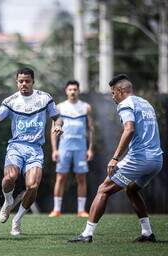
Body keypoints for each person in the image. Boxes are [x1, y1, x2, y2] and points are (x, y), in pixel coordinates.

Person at [69, 74, 163, 243]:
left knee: (103, 190)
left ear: (120, 91)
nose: (113, 97)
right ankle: (147, 233)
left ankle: (86, 234)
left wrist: (115, 158)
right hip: (157, 159)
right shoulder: (145, 103)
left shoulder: (125, 104)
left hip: (139, 158)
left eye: (113, 93)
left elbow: (129, 129)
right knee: (132, 190)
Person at [0, 67, 63, 236]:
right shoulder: (11, 101)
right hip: (16, 147)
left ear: (33, 82)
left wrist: (59, 125)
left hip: (35, 149)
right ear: (17, 82)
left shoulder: (44, 98)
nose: (24, 84)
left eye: (27, 81)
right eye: (21, 81)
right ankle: (8, 201)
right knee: (9, 178)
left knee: (32, 186)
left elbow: (57, 117)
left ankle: (16, 221)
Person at [49, 80, 94, 218]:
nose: (72, 91)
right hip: (64, 147)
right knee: (60, 177)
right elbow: (53, 129)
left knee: (81, 178)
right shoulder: (60, 107)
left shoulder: (86, 107)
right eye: (70, 89)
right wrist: (54, 149)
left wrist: (90, 148)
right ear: (66, 91)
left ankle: (81, 210)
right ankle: (56, 210)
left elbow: (90, 129)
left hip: (81, 147)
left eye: (75, 89)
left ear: (78, 91)